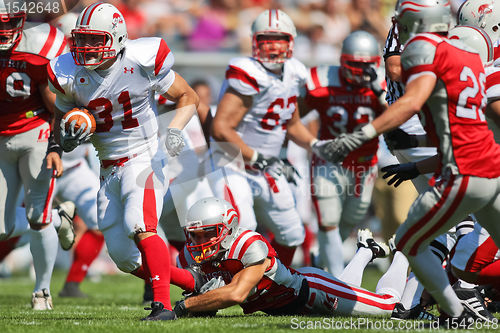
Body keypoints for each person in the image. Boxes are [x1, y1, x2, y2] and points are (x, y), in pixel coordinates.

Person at [322, 0, 500, 324]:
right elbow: (462, 133)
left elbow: (413, 102)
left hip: (465, 171)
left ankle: (457, 308)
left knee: (417, 240)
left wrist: (363, 135)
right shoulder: (471, 57)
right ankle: (461, 299)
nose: (394, 22)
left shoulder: (427, 48)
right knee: (466, 254)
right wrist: (417, 159)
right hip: (485, 167)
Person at [48, 2, 198, 320]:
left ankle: (163, 307)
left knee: (141, 226)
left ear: (116, 38)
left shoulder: (141, 59)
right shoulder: (68, 72)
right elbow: (60, 118)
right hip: (107, 166)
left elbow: (188, 96)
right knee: (123, 257)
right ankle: (194, 282)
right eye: (82, 39)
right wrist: (63, 141)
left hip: (143, 156)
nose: (85, 48)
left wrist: (174, 130)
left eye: (94, 39)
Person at [210, 9, 335, 266]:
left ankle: (276, 282)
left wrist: (316, 145)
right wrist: (258, 157)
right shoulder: (246, 72)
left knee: (292, 233)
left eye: (280, 39)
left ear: (291, 41)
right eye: (267, 39)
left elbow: (293, 123)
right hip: (234, 165)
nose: (273, 46)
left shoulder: (295, 72)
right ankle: (226, 281)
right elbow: (221, 128)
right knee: (243, 229)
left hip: (267, 165)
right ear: (255, 40)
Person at [171, 197, 411, 318]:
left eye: (208, 233)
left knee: (393, 308)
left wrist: (183, 306)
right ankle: (366, 251)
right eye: (195, 235)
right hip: (286, 306)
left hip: (313, 293)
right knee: (349, 290)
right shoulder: (189, 256)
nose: (200, 242)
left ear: (228, 227)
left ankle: (406, 250)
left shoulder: (248, 245)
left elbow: (236, 293)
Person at [0, 0, 75, 310]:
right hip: (2, 136)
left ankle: (42, 291)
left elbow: (56, 103)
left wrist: (55, 147)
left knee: (36, 216)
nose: (4, 30)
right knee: (2, 229)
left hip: (36, 132)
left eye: (9, 23)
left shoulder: (39, 46)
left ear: (21, 21)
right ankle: (61, 217)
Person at [303, 30, 387, 276]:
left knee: (350, 219)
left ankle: (323, 260)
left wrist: (380, 93)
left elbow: (399, 116)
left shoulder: (382, 84)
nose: (361, 72)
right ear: (342, 61)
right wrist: (314, 144)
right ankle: (336, 278)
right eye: (354, 66)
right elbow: (294, 117)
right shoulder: (322, 80)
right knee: (328, 219)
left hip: (364, 162)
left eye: (367, 66)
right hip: (330, 160)